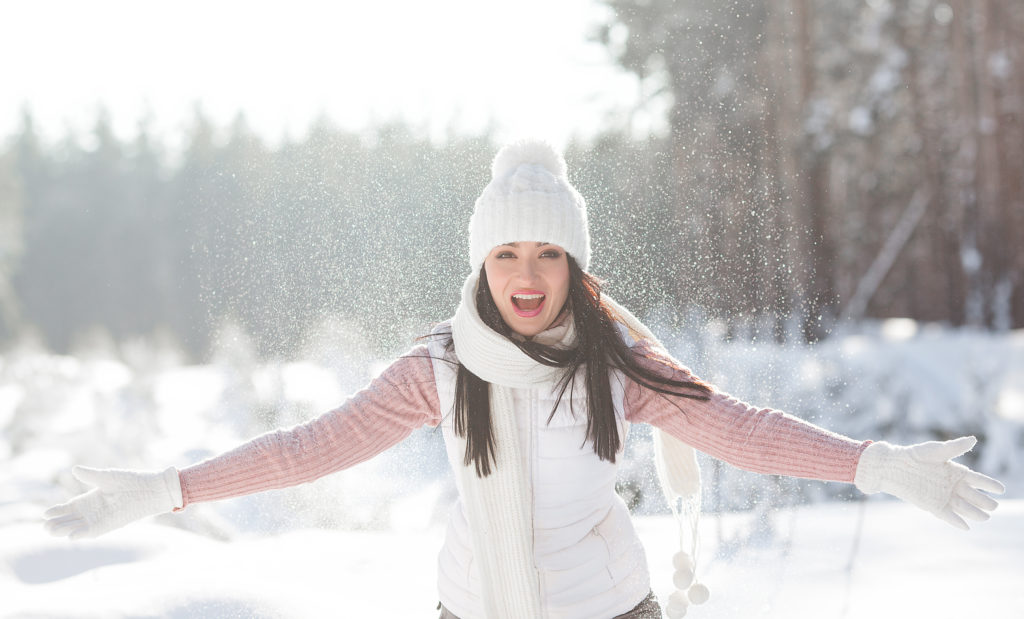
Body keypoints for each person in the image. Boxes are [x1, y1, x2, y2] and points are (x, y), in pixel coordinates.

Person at [44, 140, 1004, 619]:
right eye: (508, 253)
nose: (529, 275)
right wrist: (169, 488)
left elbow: (739, 426)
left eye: (550, 253)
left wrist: (877, 465)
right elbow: (307, 450)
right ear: (481, 266)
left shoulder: (618, 363)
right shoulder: (438, 367)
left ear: (578, 268)